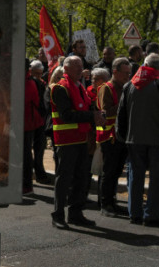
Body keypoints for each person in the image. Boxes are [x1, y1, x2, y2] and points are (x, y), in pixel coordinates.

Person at [50, 56, 106, 229]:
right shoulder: (60, 88)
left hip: (81, 138)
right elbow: (66, 115)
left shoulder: (79, 86)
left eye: (81, 66)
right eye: (75, 66)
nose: (79, 69)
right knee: (64, 178)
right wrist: (92, 116)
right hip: (66, 140)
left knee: (81, 178)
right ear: (65, 69)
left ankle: (75, 213)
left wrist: (97, 114)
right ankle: (58, 215)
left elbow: (87, 107)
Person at [116, 53, 159, 227]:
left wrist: (121, 135)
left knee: (135, 177)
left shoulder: (130, 85)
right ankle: (151, 214)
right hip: (156, 139)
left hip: (133, 139)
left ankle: (134, 213)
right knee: (156, 178)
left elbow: (121, 113)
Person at [96, 57, 132, 217]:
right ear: (115, 72)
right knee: (109, 171)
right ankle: (105, 204)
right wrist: (124, 104)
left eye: (129, 73)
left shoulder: (126, 87)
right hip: (109, 137)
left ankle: (112, 201)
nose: (128, 76)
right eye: (125, 73)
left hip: (121, 136)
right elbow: (105, 112)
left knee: (117, 171)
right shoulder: (107, 88)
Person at [28, 60, 52, 185]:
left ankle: (39, 172)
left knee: (40, 148)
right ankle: (34, 172)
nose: (38, 76)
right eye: (35, 73)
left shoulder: (42, 84)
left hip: (40, 120)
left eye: (40, 73)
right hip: (31, 120)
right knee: (28, 149)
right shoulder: (29, 83)